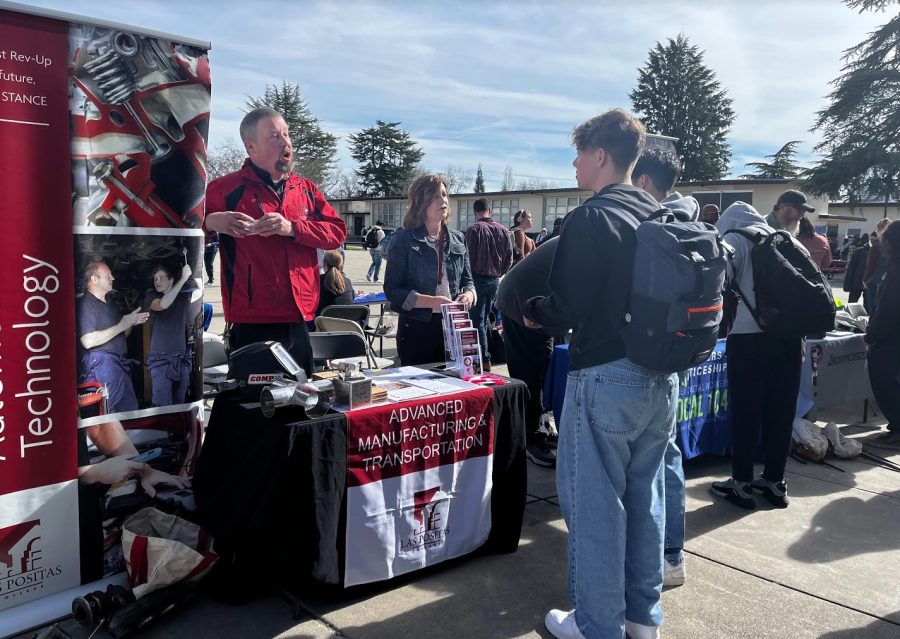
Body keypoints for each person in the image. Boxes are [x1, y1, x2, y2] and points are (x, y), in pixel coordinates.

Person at [526, 109, 678, 639]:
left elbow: (566, 306)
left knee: (595, 507)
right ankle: (642, 619)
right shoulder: (659, 214)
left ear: (599, 156)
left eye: (578, 154)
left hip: (605, 377)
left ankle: (596, 625)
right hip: (660, 379)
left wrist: (533, 310)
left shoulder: (592, 218)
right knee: (645, 501)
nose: (573, 164)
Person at [203, 107, 346, 376]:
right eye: (274, 136)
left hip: (300, 318)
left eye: (286, 134)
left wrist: (293, 228)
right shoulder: (225, 189)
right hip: (252, 320)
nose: (286, 142)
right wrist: (212, 222)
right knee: (253, 407)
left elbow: (337, 233)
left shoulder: (305, 189)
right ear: (251, 147)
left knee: (300, 404)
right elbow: (184, 233)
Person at [631, 145, 700, 589]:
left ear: (641, 182)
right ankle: (672, 554)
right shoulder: (696, 225)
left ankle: (656, 554)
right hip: (683, 356)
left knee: (646, 462)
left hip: (645, 357)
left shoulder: (651, 227)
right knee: (667, 455)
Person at [711, 202, 804, 511]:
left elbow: (717, 281)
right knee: (780, 411)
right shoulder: (785, 239)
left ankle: (741, 482)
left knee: (747, 411)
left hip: (749, 339)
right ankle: (775, 481)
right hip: (790, 339)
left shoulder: (734, 239)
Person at [383, 174, 476, 366]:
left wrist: (469, 295)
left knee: (456, 386)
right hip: (418, 328)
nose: (442, 200)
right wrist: (431, 302)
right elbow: (392, 290)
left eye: (444, 194)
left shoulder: (459, 238)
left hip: (456, 327)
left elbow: (469, 281)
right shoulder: (404, 240)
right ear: (420, 202)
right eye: (434, 196)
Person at [496, 237, 562, 468]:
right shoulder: (588, 239)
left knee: (546, 366)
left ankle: (541, 425)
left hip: (539, 304)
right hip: (520, 301)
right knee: (529, 373)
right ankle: (528, 438)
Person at [78, 261, 149, 414]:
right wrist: (122, 325)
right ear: (94, 280)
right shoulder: (85, 304)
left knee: (130, 411)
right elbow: (87, 341)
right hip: (102, 365)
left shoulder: (111, 304)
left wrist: (130, 322)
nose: (113, 278)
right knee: (111, 414)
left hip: (119, 366)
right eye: (108, 275)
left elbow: (122, 334)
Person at [464, 198, 513, 372]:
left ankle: (483, 358)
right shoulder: (504, 231)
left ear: (475, 211)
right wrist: (499, 273)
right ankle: (485, 356)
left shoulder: (473, 230)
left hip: (476, 279)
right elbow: (509, 258)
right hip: (494, 280)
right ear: (489, 210)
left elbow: (466, 259)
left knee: (477, 322)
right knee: (485, 320)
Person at [144, 263, 202, 406]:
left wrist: (191, 274)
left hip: (181, 358)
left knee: (180, 402)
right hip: (161, 360)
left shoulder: (184, 296)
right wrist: (183, 279)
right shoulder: (151, 297)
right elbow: (163, 304)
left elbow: (200, 289)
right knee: (162, 404)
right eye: (155, 279)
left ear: (171, 280)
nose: (157, 281)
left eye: (160, 278)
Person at [865, 220, 900, 447]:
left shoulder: (896, 267)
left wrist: (872, 333)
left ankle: (898, 427)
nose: (881, 243)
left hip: (890, 337)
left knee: (884, 379)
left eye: (884, 239)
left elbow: (889, 307)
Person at [863, 218, 892, 315]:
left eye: (877, 230)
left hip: (874, 281)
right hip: (890, 282)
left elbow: (870, 266)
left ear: (881, 230)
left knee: (874, 310)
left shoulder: (876, 247)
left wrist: (865, 279)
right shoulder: (895, 246)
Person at [843, 233, 870, 304]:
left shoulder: (857, 249)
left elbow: (851, 270)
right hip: (867, 283)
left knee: (852, 304)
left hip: (857, 281)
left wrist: (847, 285)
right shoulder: (860, 251)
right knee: (868, 307)